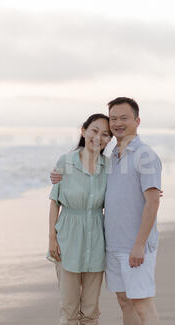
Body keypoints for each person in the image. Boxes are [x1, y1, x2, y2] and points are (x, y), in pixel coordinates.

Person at [52, 97, 163, 325]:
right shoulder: (114, 158)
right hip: (112, 245)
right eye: (114, 118)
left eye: (124, 118)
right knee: (124, 301)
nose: (118, 123)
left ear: (137, 121)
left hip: (134, 246)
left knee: (141, 302)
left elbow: (152, 202)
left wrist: (140, 243)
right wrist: (56, 177)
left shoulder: (145, 155)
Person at [47, 113, 112, 325]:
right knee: (68, 310)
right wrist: (52, 239)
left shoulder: (109, 167)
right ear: (83, 131)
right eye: (94, 131)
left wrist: (149, 191)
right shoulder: (65, 162)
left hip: (97, 241)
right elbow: (55, 202)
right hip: (68, 238)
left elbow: (122, 196)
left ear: (109, 140)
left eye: (105, 134)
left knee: (91, 311)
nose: (98, 138)